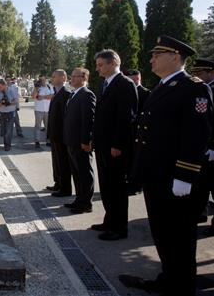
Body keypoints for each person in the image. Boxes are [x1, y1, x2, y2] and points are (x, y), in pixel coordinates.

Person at [119, 35, 213, 296]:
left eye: (156, 55)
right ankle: (169, 279)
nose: (151, 59)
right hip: (155, 176)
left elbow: (197, 135)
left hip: (175, 178)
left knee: (179, 237)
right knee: (162, 233)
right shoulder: (162, 86)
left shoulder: (193, 88)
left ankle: (181, 286)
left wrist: (185, 174)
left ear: (175, 56)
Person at [91, 50, 138, 241]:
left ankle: (119, 228)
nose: (97, 68)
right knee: (107, 186)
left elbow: (126, 117)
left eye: (100, 64)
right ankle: (109, 220)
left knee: (117, 188)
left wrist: (117, 144)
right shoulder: (106, 84)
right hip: (103, 145)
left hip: (115, 147)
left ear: (113, 63)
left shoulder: (124, 84)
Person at [191, 58, 214, 236]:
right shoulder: (199, 89)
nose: (196, 76)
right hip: (202, 148)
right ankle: (200, 214)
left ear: (212, 72)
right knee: (201, 185)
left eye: (200, 73)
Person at [63, 67, 96, 214]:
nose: (71, 78)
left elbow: (88, 119)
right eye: (72, 76)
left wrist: (86, 140)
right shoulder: (74, 94)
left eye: (75, 76)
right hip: (71, 140)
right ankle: (79, 199)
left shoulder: (87, 95)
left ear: (83, 78)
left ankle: (86, 203)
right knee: (76, 173)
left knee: (84, 173)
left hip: (80, 142)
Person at [124, 69, 150, 196]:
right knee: (128, 158)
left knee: (137, 159)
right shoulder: (126, 92)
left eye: (133, 78)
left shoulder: (145, 93)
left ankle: (137, 185)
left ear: (138, 78)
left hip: (139, 132)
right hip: (128, 131)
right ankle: (129, 181)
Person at [46, 70, 72, 196]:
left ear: (63, 77)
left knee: (63, 162)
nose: (52, 78)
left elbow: (65, 116)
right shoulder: (56, 92)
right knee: (56, 161)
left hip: (61, 135)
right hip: (54, 134)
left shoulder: (66, 93)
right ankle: (58, 183)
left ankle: (65, 188)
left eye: (54, 76)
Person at [0, 79, 19, 151]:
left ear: (5, 85)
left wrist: (9, 102)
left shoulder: (12, 91)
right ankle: (6, 143)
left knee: (9, 130)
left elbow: (16, 100)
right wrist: (1, 103)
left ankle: (7, 145)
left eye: (1, 87)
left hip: (10, 113)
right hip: (2, 114)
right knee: (4, 130)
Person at [32, 75, 54, 148]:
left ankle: (48, 140)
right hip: (38, 109)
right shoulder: (37, 87)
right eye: (41, 80)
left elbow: (52, 96)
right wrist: (36, 88)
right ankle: (37, 141)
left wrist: (43, 97)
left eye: (44, 80)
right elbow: (33, 97)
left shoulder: (49, 87)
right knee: (38, 126)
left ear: (46, 80)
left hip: (47, 110)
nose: (43, 81)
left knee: (48, 126)